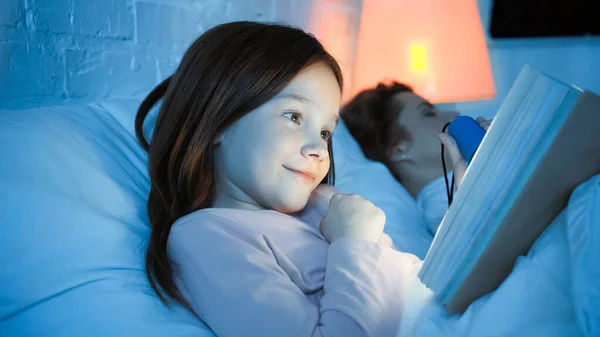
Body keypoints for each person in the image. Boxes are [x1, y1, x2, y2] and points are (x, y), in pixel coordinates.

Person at [134, 21, 469, 337]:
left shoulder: (323, 202)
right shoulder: (205, 236)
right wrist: (353, 243)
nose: (318, 149)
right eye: (294, 116)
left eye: (325, 132)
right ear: (220, 120)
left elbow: (421, 284)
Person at [340, 82, 491, 234]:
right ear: (398, 149)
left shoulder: (469, 179)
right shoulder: (444, 207)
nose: (454, 114)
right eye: (429, 113)